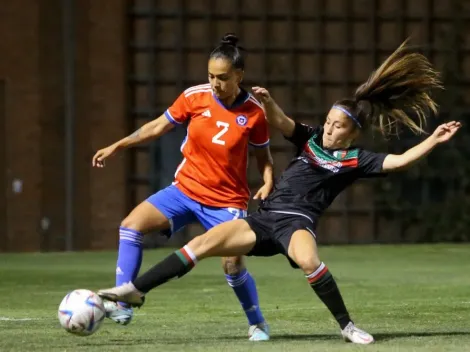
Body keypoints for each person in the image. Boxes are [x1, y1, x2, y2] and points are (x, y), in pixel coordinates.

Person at [97, 41, 461, 344]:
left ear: (352, 134)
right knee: (202, 245)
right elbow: (285, 123)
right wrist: (269, 102)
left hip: (296, 223)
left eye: (339, 126)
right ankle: (134, 290)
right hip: (263, 218)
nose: (330, 129)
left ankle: (346, 326)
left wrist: (433, 139)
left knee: (309, 262)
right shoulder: (311, 138)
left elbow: (397, 162)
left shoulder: (355, 159)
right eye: (330, 121)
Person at [92, 33, 273, 341]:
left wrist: (268, 180)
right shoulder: (194, 97)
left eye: (223, 77)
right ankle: (123, 303)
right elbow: (156, 127)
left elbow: (263, 156)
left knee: (232, 264)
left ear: (239, 75)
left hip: (226, 202)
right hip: (185, 191)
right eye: (211, 76)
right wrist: (117, 146)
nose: (215, 83)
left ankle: (257, 323)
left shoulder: (254, 113)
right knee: (130, 225)